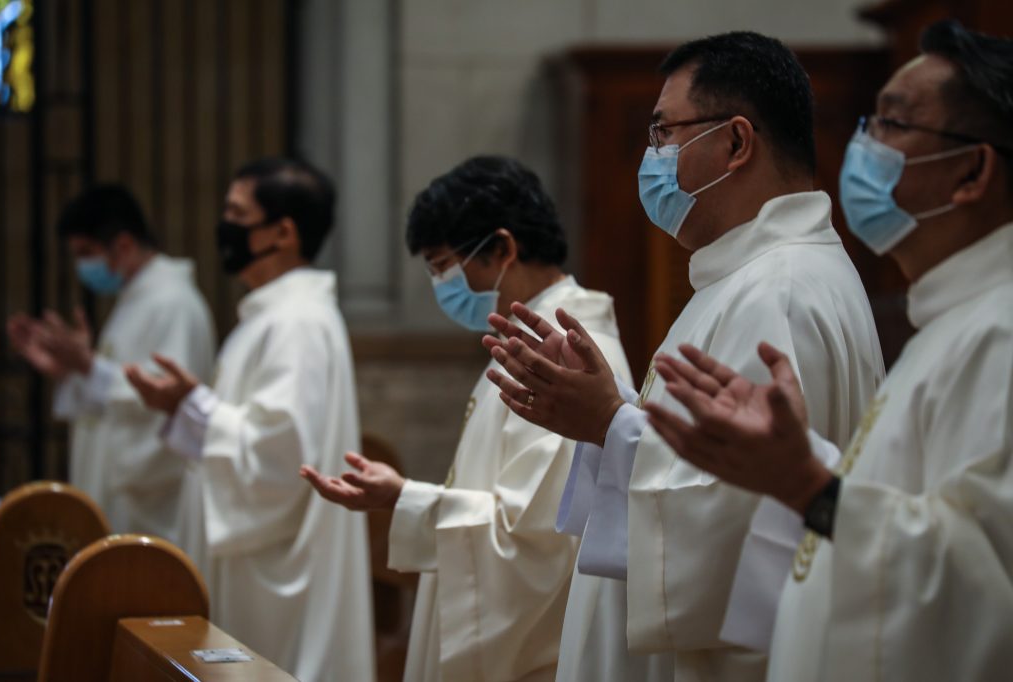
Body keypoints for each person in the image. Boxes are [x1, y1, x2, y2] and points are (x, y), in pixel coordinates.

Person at [484, 32, 885, 680]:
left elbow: (743, 512)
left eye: (665, 133)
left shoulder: (775, 291)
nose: (652, 158)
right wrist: (608, 413)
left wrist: (609, 421)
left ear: (734, 142)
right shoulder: (751, 275)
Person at [645, 21, 1013, 682]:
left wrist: (811, 489)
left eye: (894, 126)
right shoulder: (950, 323)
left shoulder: (998, 335)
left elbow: (987, 585)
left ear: (973, 170)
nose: (860, 146)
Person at [302, 156, 633, 682]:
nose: (438, 286)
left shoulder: (565, 360)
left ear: (502, 248)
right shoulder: (525, 343)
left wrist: (405, 498)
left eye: (442, 266)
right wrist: (405, 496)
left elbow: (538, 543)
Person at [125, 158, 375, 682]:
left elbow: (280, 459)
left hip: (278, 577)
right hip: (256, 563)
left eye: (237, 213)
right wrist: (188, 408)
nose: (226, 226)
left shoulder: (298, 324)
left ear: (283, 232)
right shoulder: (274, 317)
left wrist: (191, 407)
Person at [7, 184, 215, 538]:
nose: (83, 266)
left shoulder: (173, 303)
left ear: (123, 244)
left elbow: (166, 397)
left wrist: (88, 366)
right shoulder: (136, 299)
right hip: (119, 492)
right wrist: (70, 372)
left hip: (147, 502)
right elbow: (114, 394)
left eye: (87, 252)